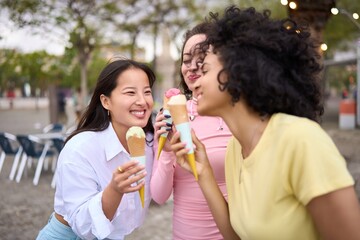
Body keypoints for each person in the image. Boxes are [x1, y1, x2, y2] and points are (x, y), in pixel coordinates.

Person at [170, 6, 360, 240]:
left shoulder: (300, 140)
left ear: (238, 73)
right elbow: (236, 236)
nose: (195, 78)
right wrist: (204, 172)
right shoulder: (235, 150)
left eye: (205, 68)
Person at [36, 59, 156, 240]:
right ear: (106, 101)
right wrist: (114, 190)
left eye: (147, 92)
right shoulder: (80, 148)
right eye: (130, 92)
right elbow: (82, 226)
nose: (142, 101)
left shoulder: (150, 143)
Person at [150, 22, 232, 239]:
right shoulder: (171, 118)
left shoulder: (238, 115)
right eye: (187, 60)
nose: (193, 66)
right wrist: (166, 151)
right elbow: (159, 196)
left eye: (202, 59)